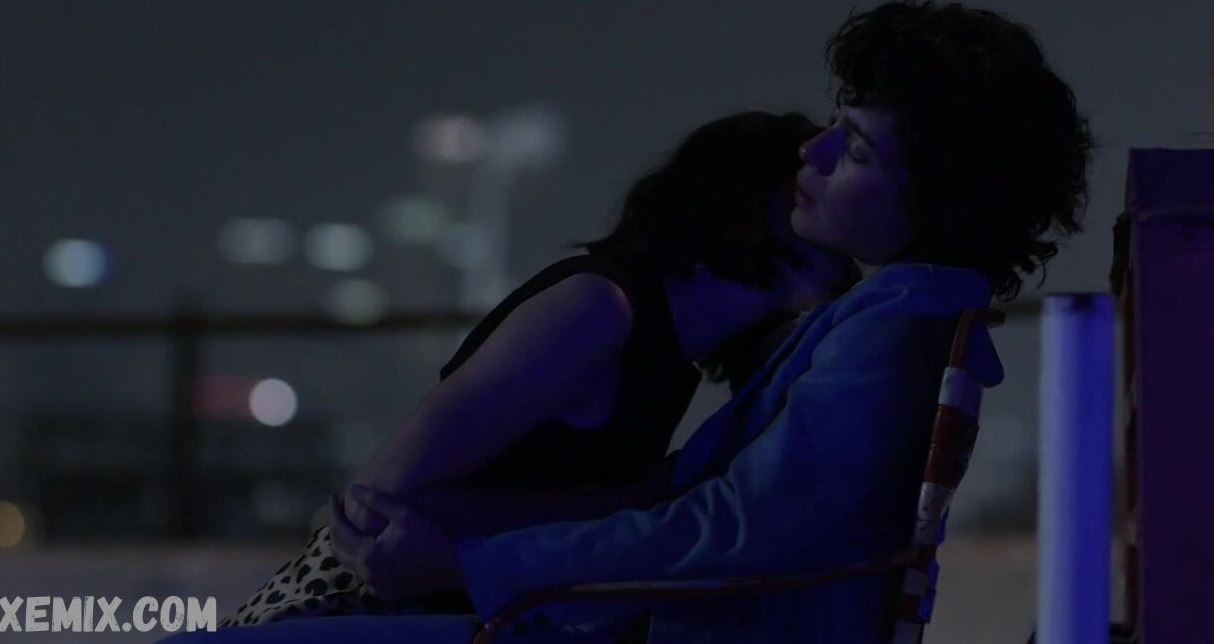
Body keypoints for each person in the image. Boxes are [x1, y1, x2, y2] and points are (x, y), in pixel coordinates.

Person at [171, 1, 1092, 642]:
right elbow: (690, 506)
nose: (810, 155)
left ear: (933, 194)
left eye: (850, 147)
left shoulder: (887, 329)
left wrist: (471, 560)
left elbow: (727, 529)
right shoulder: (892, 318)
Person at [217, 111, 856, 627]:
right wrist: (627, 505)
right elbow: (381, 500)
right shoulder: (599, 309)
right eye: (804, 187)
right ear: (742, 201)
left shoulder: (670, 344)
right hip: (354, 607)